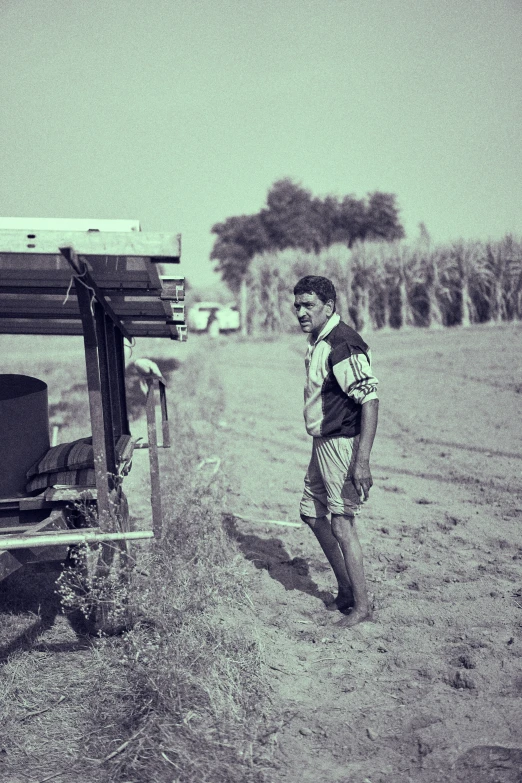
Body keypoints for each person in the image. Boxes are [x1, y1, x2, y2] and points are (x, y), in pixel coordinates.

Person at [294, 275, 379, 628]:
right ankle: (345, 590)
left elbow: (370, 400)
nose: (300, 312)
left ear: (328, 307)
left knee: (342, 524)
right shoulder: (320, 339)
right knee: (312, 514)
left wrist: (361, 462)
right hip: (322, 443)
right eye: (297, 305)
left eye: (308, 305)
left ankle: (361, 606)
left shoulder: (342, 344)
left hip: (342, 445)